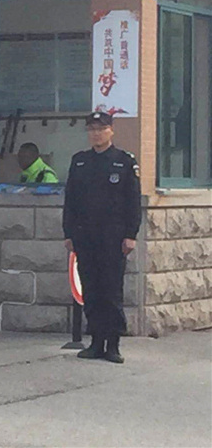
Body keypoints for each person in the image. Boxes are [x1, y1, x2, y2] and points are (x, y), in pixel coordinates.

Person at [62, 111, 141, 364]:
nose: (96, 134)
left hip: (113, 237)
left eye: (101, 129)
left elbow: (133, 201)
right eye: (92, 129)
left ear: (111, 130)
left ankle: (113, 344)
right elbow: (71, 201)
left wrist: (131, 234)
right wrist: (68, 233)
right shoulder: (80, 161)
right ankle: (95, 342)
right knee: (91, 290)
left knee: (111, 290)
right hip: (86, 236)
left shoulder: (124, 161)